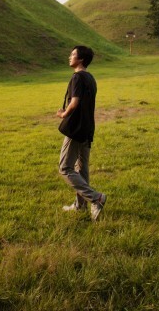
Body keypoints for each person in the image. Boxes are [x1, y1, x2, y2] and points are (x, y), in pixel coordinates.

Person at [56, 45, 107, 221]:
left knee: (65, 168)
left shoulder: (77, 77)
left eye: (73, 55)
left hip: (76, 128)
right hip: (87, 127)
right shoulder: (90, 78)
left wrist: (63, 114)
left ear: (81, 59)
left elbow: (75, 102)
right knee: (82, 168)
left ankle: (96, 198)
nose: (69, 57)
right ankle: (80, 205)